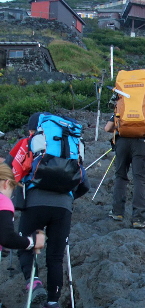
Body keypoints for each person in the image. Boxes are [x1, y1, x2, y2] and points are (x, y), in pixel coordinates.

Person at [8, 112, 90, 308]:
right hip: (63, 207)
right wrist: (67, 199)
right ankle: (53, 302)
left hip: (35, 203)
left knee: (25, 243)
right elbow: (84, 185)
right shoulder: (71, 147)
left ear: (33, 129)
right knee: (55, 256)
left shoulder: (29, 142)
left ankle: (34, 282)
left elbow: (7, 170)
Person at [104, 110, 145, 229]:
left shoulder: (122, 104)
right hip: (142, 143)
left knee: (120, 176)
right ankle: (138, 218)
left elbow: (108, 128)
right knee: (140, 180)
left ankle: (117, 212)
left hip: (122, 142)